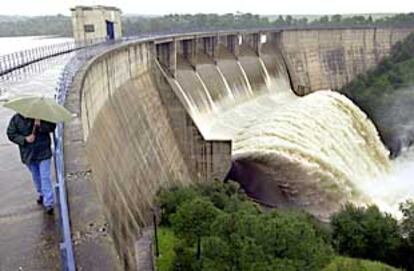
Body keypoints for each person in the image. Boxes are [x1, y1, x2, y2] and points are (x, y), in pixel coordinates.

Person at [7, 113, 56, 214]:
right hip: (28, 154)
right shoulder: (16, 119)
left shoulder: (40, 116)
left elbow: (52, 127)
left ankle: (48, 202)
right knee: (36, 176)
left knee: (45, 176)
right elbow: (11, 134)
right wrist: (24, 139)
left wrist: (40, 125)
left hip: (43, 152)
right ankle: (41, 193)